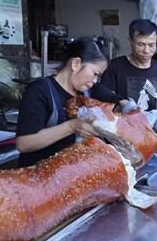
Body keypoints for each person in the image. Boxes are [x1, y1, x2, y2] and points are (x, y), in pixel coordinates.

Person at [16, 36, 113, 167]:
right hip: (37, 178)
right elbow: (23, 144)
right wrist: (71, 126)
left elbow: (116, 99)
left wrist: (125, 104)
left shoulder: (87, 90)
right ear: (76, 64)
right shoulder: (40, 91)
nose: (95, 81)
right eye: (95, 73)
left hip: (70, 175)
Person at [100, 19, 157, 116]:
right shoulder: (114, 67)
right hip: (122, 128)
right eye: (141, 44)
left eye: (151, 45)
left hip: (151, 128)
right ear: (130, 41)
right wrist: (120, 107)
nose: (146, 50)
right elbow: (105, 102)